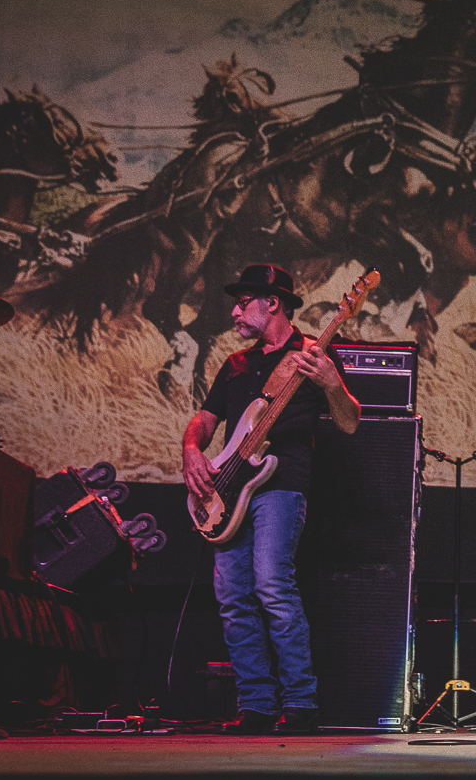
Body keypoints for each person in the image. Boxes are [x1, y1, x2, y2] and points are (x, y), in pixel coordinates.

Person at [181, 264, 360, 735]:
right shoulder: (236, 365)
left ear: (273, 303)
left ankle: (301, 705)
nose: (235, 312)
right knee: (232, 598)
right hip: (228, 488)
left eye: (244, 303)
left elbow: (349, 422)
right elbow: (204, 420)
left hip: (280, 486)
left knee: (272, 587)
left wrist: (331, 384)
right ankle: (257, 706)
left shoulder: (313, 356)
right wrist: (191, 451)